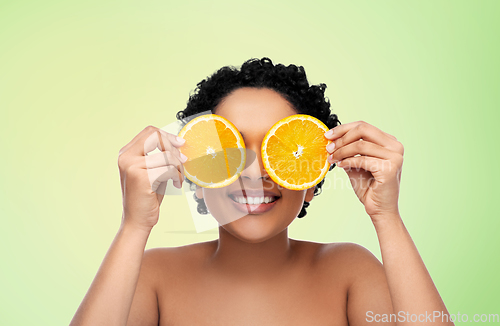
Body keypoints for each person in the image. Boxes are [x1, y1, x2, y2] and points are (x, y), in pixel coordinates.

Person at [70, 58, 453, 325]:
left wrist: (387, 218)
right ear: (195, 176)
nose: (254, 172)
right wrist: (134, 226)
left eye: (279, 150)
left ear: (311, 181)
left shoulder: (349, 272)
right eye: (230, 151)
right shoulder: (153, 276)